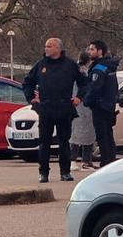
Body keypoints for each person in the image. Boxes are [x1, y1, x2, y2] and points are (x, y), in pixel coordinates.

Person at [22, 38, 85, 183]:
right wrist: (31, 98)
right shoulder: (41, 64)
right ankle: (43, 173)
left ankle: (65, 172)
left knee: (64, 142)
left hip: (64, 108)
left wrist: (79, 98)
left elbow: (84, 83)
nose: (46, 49)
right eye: (45, 46)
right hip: (46, 109)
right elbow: (28, 82)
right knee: (44, 142)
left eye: (49, 46)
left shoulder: (70, 65)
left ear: (58, 48)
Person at [82, 39, 119, 167]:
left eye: (92, 49)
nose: (89, 52)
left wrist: (87, 101)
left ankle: (105, 163)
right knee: (109, 136)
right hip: (109, 106)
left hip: (100, 106)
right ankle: (111, 161)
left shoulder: (99, 68)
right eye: (89, 49)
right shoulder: (110, 66)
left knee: (102, 137)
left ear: (100, 51)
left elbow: (95, 87)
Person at [69, 52, 96, 171]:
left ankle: (74, 160)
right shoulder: (84, 73)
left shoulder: (72, 70)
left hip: (75, 105)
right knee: (86, 135)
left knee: (75, 134)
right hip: (84, 106)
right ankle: (85, 161)